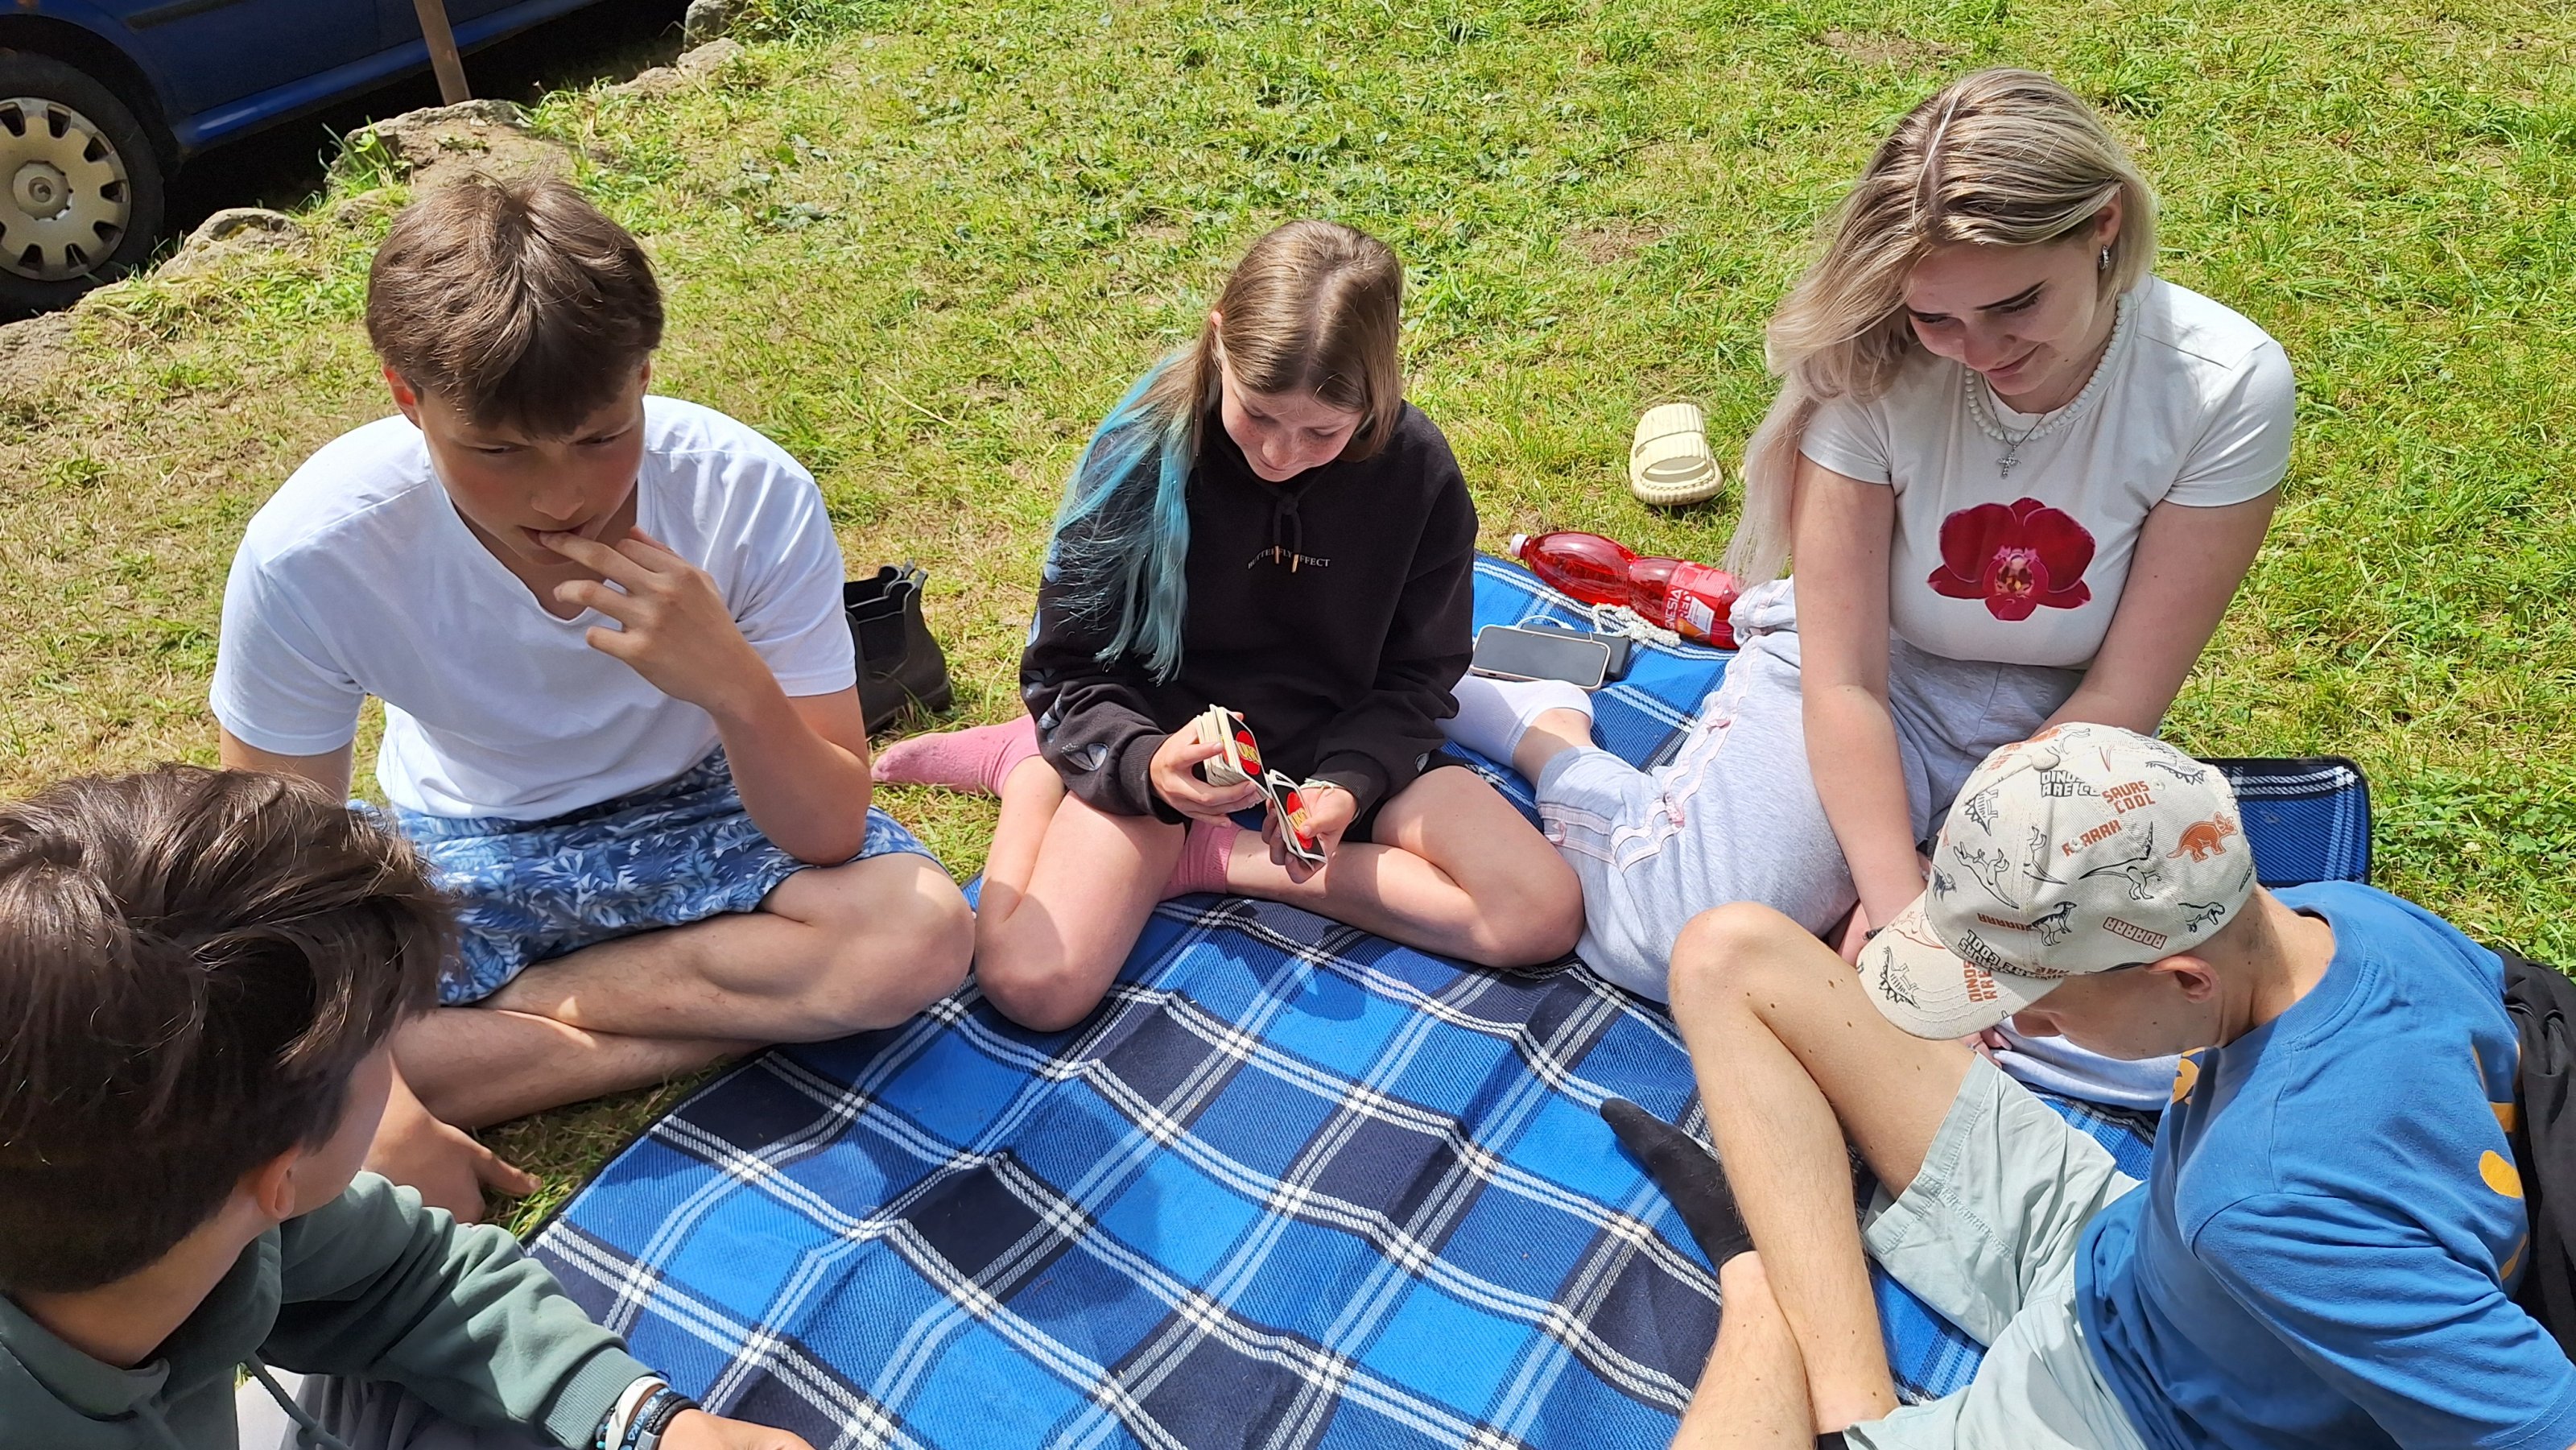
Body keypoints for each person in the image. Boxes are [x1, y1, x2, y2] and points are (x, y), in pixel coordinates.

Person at [1442, 70, 2293, 1106]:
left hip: (2062, 718)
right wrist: (1903, 908)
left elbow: (2123, 692)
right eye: (1938, 318)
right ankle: (1549, 736)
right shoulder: (1872, 360)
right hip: (1870, 674)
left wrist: (1954, 892)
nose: (1980, 352)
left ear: (2102, 226)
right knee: (1663, 939)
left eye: (2015, 304)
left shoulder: (2222, 383)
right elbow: (1844, 678)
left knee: (2160, 1045)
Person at [208, 176, 974, 1221]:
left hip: (702, 804)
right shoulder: (317, 549)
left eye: (603, 435)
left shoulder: (745, 492)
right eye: (497, 451)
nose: (561, 494)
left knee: (917, 936)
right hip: (460, 836)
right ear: (406, 398)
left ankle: (492, 1035)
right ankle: (739, 1012)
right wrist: (375, 1099)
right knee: (250, 1049)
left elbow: (829, 829)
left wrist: (731, 684)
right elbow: (277, 863)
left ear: (644, 376)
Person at [1615, 722, 2576, 1449]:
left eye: (2038, 1006)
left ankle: (1768, 1299)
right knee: (1730, 954)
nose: (2019, 1030)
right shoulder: (2352, 920)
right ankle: (1846, 1400)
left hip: (2133, 1410)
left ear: (2181, 979)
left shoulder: (2257, 1198)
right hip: (2126, 1243)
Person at [873, 220, 1581, 1030]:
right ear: (1219, 344)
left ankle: (1209, 857)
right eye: (1259, 414)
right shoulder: (1142, 456)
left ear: (1376, 395)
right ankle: (1028, 768)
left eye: (1322, 432)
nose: (1280, 453)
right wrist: (1143, 765)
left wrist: (1347, 782)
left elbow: (1421, 674)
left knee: (1539, 913)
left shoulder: (1416, 471)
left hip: (1339, 736)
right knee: (1035, 984)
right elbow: (1064, 667)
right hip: (1165, 739)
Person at [0, 765, 814, 1450]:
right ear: (282, 1175)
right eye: (383, 1048)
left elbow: (414, 1278)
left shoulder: (210, 1216)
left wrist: (647, 1423)